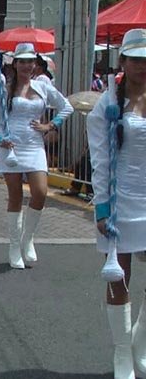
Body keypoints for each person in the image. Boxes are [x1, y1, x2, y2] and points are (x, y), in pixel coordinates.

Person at [87, 28, 146, 379]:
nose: (142, 65)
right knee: (119, 277)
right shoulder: (108, 104)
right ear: (122, 61)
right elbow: (100, 159)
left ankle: (141, 341)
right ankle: (122, 353)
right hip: (121, 198)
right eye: (135, 59)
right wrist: (103, 207)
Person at [0, 43, 73, 269]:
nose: (26, 65)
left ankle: (28, 237)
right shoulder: (5, 89)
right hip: (11, 147)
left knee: (40, 192)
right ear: (15, 64)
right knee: (15, 197)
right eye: (22, 61)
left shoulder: (43, 87)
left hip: (34, 145)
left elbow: (67, 107)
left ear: (35, 64)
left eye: (30, 61)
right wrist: (0, 138)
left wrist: (51, 125)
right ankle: (14, 246)